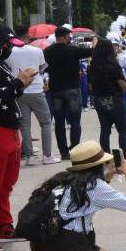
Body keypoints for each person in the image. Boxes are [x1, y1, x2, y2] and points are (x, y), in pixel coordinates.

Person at [28, 140, 126, 251]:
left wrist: (108, 175)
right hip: (66, 245)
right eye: (105, 163)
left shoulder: (62, 180)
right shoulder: (94, 186)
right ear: (97, 166)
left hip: (41, 248)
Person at [0, 25, 37, 240]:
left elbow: (8, 94)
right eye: (5, 44)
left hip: (10, 129)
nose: (8, 49)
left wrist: (20, 84)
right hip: (0, 131)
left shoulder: (1, 65)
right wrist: (17, 83)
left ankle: (3, 224)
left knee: (6, 183)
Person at [6, 25, 59, 165]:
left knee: (25, 125)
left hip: (19, 91)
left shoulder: (9, 52)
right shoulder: (37, 51)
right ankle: (47, 155)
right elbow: (42, 69)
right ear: (28, 35)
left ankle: (29, 156)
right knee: (46, 122)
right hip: (36, 90)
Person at [44, 27, 95, 159]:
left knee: (59, 123)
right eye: (69, 36)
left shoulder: (47, 51)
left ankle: (64, 152)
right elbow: (91, 52)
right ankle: (75, 149)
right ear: (65, 36)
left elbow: (43, 68)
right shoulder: (73, 50)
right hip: (72, 88)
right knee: (75, 122)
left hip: (55, 90)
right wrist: (95, 41)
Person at [88, 39, 126, 163]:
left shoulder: (92, 66)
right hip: (115, 98)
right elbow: (123, 85)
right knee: (123, 129)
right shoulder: (113, 66)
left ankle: (106, 158)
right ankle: (125, 158)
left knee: (105, 129)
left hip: (99, 99)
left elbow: (90, 86)